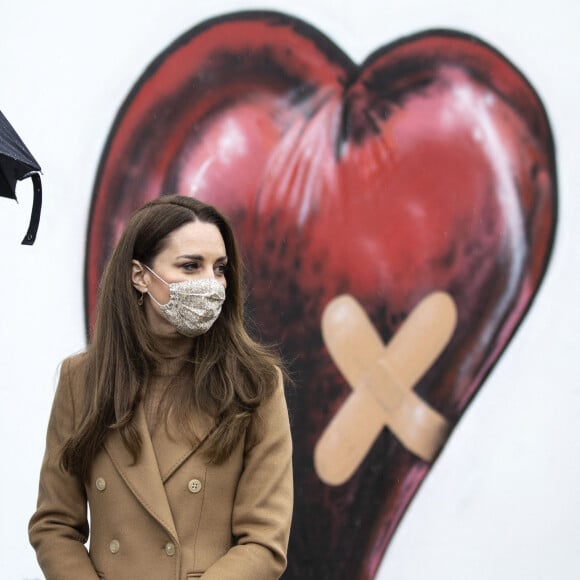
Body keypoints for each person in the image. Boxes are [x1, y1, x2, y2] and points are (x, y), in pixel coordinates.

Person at [29, 195, 293, 579]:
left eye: (219, 268)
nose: (211, 284)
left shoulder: (254, 383)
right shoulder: (82, 379)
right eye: (190, 266)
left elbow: (264, 542)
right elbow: (54, 525)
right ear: (140, 276)